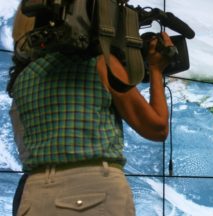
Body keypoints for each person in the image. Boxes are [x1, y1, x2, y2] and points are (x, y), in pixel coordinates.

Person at [7, 4, 172, 216]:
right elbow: (157, 128)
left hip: (34, 196)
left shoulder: (21, 81)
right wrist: (157, 69)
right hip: (94, 191)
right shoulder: (101, 65)